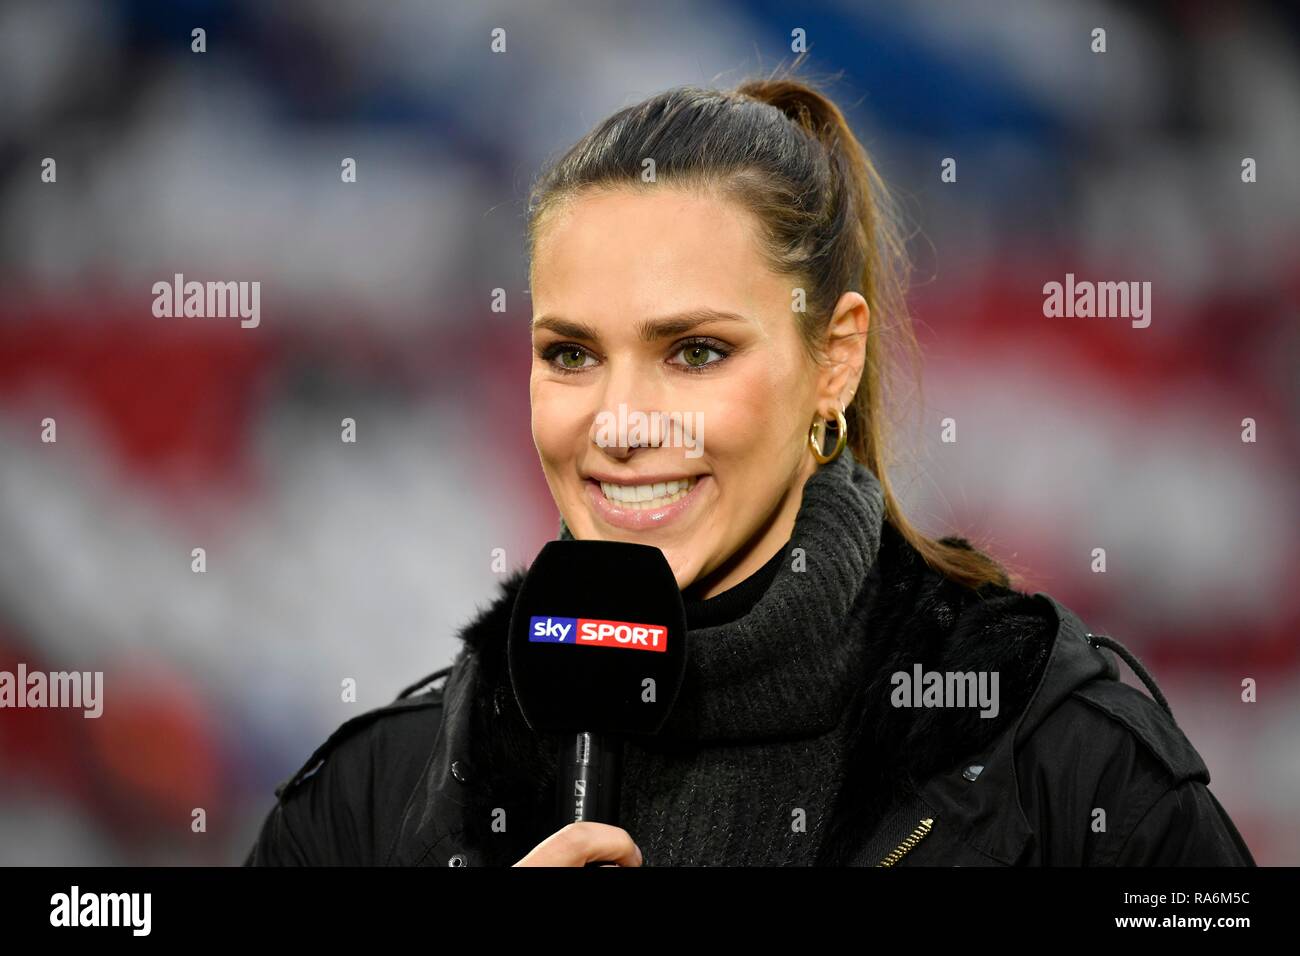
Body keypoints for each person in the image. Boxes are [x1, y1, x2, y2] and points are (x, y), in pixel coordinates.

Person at [244, 66, 1255, 867]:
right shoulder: (382, 795)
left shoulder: (1068, 768)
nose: (621, 421)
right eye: (571, 354)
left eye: (694, 351)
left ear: (834, 358)